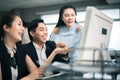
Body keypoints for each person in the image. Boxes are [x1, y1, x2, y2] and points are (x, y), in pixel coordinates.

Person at [0, 12, 44, 80]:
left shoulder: (21, 49)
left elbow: (37, 74)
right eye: (19, 24)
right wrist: (28, 78)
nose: (23, 29)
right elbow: (31, 76)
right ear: (6, 28)